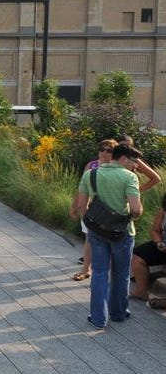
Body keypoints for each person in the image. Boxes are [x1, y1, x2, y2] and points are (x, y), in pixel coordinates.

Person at [71, 143, 143, 329]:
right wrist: (135, 214)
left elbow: (81, 206)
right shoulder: (129, 177)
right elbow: (135, 210)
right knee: (121, 274)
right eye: (134, 161)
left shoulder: (90, 174)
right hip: (122, 233)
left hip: (97, 232)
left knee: (99, 272)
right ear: (123, 159)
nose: (136, 165)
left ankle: (98, 318)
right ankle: (118, 313)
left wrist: (91, 224)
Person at [73, 139, 116, 282]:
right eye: (102, 149)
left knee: (109, 241)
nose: (104, 153)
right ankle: (86, 269)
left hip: (112, 211)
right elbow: (82, 188)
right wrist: (76, 206)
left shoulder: (119, 169)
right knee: (89, 238)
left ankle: (107, 272)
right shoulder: (91, 166)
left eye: (109, 150)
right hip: (92, 209)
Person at [131, 191, 166, 305]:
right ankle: (141, 291)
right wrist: (158, 242)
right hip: (163, 245)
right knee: (137, 256)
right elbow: (155, 231)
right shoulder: (163, 212)